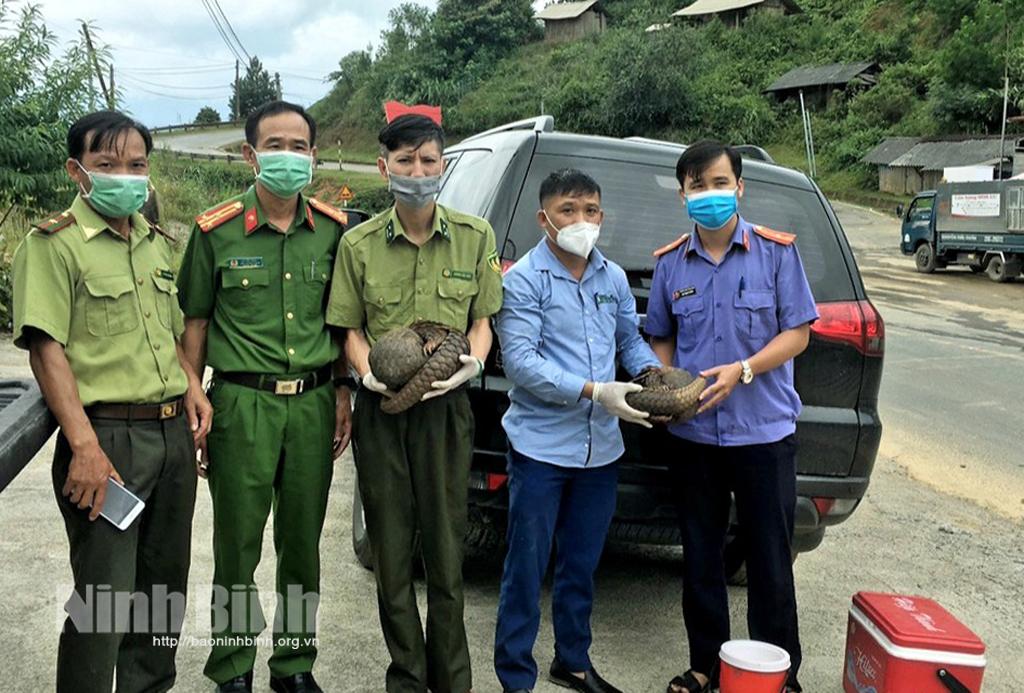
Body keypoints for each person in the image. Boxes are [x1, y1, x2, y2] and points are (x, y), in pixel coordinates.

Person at [11, 110, 210, 692]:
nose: (124, 175)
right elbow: (46, 350)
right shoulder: (54, 245)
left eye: (137, 164)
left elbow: (168, 338)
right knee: (102, 604)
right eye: (106, 164)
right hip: (109, 442)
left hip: (173, 439)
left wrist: (193, 389)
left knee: (161, 594)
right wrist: (84, 447)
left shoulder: (152, 243)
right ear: (78, 171)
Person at [176, 100, 353, 693]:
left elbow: (343, 323)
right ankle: (231, 668)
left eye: (298, 146)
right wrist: (192, 402)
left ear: (313, 155)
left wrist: (343, 394)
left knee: (302, 546)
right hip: (240, 406)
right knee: (237, 548)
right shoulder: (215, 231)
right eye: (274, 146)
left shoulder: (333, 231)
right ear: (251, 155)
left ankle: (294, 665)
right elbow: (195, 326)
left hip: (312, 402)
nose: (287, 156)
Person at [326, 104, 503, 693]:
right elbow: (349, 329)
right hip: (383, 414)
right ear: (385, 167)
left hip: (446, 412)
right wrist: (364, 375)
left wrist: (472, 363)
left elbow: (483, 320)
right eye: (406, 160)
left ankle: (451, 679)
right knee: (392, 554)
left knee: (449, 552)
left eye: (428, 160)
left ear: (443, 164)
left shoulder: (475, 238)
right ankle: (406, 674)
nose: (418, 170)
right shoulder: (359, 245)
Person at [645, 141, 819, 693]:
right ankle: (707, 667)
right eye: (698, 186)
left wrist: (743, 369)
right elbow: (662, 339)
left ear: (740, 187)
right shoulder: (671, 263)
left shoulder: (775, 253)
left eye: (720, 183)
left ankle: (778, 673)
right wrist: (666, 389)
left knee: (769, 558)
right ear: (683, 195)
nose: (710, 195)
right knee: (700, 555)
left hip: (764, 433)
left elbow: (799, 333)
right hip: (694, 435)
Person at [493, 168, 662, 693]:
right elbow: (520, 363)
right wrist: (595, 390)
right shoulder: (522, 279)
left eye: (590, 211)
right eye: (569, 211)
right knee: (526, 565)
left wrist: (654, 375)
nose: (581, 221)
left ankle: (573, 661)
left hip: (600, 451)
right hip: (540, 449)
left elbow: (628, 341)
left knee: (582, 563)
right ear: (544, 219)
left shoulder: (611, 277)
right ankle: (516, 676)